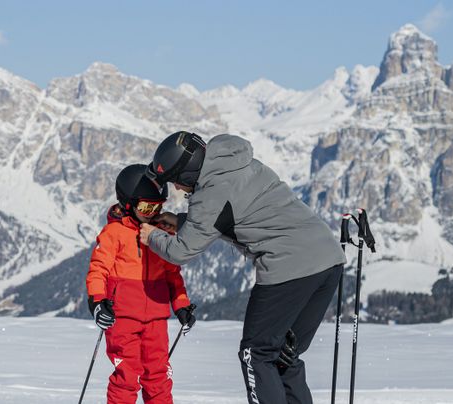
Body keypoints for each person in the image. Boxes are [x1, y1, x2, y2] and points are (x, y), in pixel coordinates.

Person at [138, 131, 345, 404]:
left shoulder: (209, 193)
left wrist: (152, 236)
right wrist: (181, 221)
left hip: (289, 267)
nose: (176, 188)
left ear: (188, 174)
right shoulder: (236, 162)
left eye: (176, 180)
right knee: (285, 354)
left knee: (256, 354)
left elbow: (181, 250)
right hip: (328, 260)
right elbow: (231, 212)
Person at [87, 164, 195, 404]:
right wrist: (97, 302)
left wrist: (181, 306)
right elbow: (98, 270)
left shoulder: (160, 233)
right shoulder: (114, 232)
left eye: (157, 207)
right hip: (123, 318)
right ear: (128, 203)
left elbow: (173, 275)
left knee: (158, 376)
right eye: (146, 207)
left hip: (156, 318)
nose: (152, 213)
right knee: (128, 376)